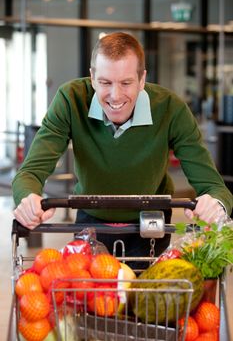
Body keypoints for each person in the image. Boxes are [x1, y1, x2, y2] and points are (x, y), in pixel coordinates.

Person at [12, 32, 233, 260]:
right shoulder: (70, 99)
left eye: (126, 83)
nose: (115, 96)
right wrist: (28, 198)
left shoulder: (171, 108)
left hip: (150, 224)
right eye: (105, 82)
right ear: (92, 77)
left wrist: (214, 204)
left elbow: (214, 187)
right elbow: (30, 172)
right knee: (88, 294)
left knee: (143, 294)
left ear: (142, 79)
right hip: (90, 218)